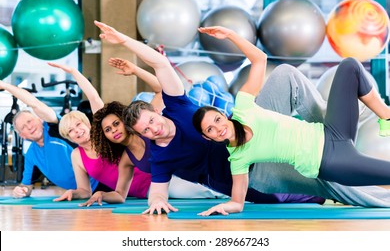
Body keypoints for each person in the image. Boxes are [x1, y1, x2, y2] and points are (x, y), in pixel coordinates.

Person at [94, 20, 327, 215]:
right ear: (140, 134)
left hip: (246, 135)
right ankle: (324, 190)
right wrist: (156, 201)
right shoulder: (160, 156)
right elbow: (157, 188)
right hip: (234, 176)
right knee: (292, 196)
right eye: (145, 130)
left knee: (284, 77)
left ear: (156, 111)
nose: (153, 130)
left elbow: (160, 64)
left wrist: (124, 40)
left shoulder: (175, 104)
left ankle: (328, 128)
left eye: (151, 121)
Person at [192, 26, 390, 215]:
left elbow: (259, 59)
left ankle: (386, 115)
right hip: (331, 162)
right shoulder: (238, 159)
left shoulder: (243, 106)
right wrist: (224, 207)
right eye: (210, 129)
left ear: (223, 115)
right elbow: (237, 202)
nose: (218, 128)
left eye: (217, 120)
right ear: (208, 137)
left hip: (332, 131)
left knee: (350, 66)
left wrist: (231, 35)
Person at [49, 59, 226, 205]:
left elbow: (160, 89)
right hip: (155, 190)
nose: (114, 130)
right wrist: (101, 194)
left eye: (116, 124)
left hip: (183, 172)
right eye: (108, 130)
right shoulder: (119, 154)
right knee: (208, 189)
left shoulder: (145, 127)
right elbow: (119, 194)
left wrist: (75, 72)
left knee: (214, 184)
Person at [0, 80, 98, 198]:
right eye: (24, 127)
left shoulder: (56, 128)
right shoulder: (31, 154)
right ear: (22, 136)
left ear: (40, 119)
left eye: (30, 121)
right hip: (83, 194)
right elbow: (27, 185)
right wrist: (21, 191)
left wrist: (4, 86)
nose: (29, 127)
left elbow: (35, 104)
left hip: (105, 182)